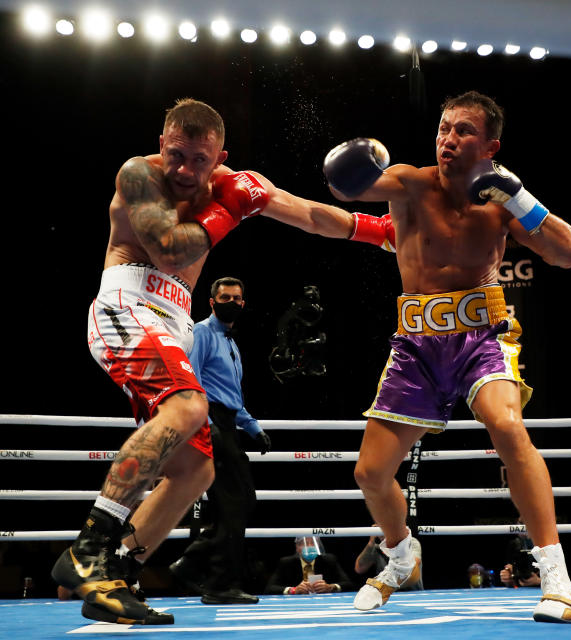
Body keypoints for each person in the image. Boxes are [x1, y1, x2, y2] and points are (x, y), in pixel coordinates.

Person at [51, 98, 356, 625]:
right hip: (127, 303)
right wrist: (232, 209)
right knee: (190, 406)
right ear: (162, 142)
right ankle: (89, 547)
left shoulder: (230, 183)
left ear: (221, 158)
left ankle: (114, 575)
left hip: (172, 319)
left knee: (196, 470)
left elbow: (308, 215)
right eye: (177, 154)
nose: (185, 169)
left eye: (200, 160)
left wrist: (379, 232)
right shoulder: (138, 175)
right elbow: (169, 249)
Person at [321, 90, 571, 623]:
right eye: (444, 128)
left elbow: (568, 253)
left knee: (507, 428)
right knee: (370, 474)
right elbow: (347, 188)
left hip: (482, 338)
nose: (448, 139)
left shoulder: (501, 203)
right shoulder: (412, 182)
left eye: (463, 130)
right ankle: (399, 554)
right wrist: (350, 164)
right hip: (416, 346)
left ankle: (556, 578)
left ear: (491, 146)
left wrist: (519, 197)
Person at [167, 276, 268, 606]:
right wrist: (205, 426)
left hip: (226, 424)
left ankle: (194, 563)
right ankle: (218, 583)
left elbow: (231, 397)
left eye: (238, 298)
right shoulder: (202, 333)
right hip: (210, 424)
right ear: (211, 301)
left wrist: (253, 427)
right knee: (235, 503)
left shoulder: (231, 343)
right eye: (226, 297)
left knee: (239, 503)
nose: (233, 302)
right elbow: (190, 380)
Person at [265, 535, 354, 595]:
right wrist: (293, 590)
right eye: (305, 544)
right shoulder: (286, 562)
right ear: (297, 547)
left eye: (313, 543)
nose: (310, 547)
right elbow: (270, 588)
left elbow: (349, 584)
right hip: (297, 605)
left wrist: (330, 587)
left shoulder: (329, 560)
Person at [354, 527, 423, 590]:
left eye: (384, 527)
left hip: (412, 593)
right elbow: (359, 568)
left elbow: (413, 568)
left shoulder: (411, 542)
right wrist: (371, 542)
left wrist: (384, 583)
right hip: (385, 595)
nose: (382, 533)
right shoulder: (376, 548)